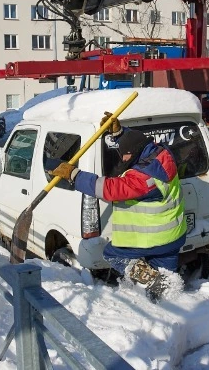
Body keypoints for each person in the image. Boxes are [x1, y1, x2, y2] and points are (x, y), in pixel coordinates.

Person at [48, 112, 186, 301]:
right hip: (174, 235)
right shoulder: (162, 154)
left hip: (151, 239)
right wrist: (121, 134)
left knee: (113, 255)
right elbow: (137, 143)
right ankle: (168, 307)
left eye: (126, 154)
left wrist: (74, 175)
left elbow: (108, 189)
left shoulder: (144, 178)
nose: (122, 158)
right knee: (166, 284)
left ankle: (153, 281)